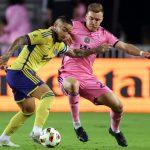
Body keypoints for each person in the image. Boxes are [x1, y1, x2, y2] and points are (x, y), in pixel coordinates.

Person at [0, 16, 109, 147]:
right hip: (21, 71)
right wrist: (8, 54)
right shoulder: (44, 34)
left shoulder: (59, 45)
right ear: (55, 26)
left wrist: (95, 50)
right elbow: (22, 39)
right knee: (48, 95)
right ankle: (37, 131)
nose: (66, 34)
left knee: (28, 110)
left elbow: (75, 53)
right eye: (64, 30)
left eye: (69, 31)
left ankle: (4, 138)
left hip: (16, 74)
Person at [58, 3, 150, 147]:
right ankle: (77, 126)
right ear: (86, 16)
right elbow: (57, 25)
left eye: (97, 20)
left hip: (88, 78)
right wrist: (62, 34)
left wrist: (142, 53)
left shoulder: (104, 35)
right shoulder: (74, 25)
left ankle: (115, 130)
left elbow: (124, 46)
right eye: (91, 18)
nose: (93, 22)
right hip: (67, 74)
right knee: (73, 84)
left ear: (102, 19)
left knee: (118, 106)